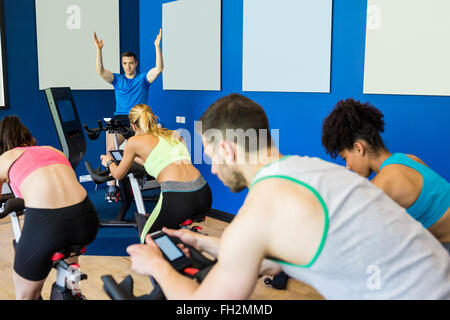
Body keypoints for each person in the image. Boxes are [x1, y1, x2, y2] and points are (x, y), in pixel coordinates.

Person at [126, 94, 450, 300]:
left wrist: (157, 266)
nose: (210, 166)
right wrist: (207, 244)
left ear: (226, 148)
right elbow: (281, 253)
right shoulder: (311, 170)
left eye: (210, 154)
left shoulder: (259, 211)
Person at [321, 98, 450, 252]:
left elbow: (349, 228)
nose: (347, 166)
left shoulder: (385, 182)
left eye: (345, 158)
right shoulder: (408, 159)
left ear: (359, 148)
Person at [0, 116, 99, 300]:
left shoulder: (5, 158)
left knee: (25, 296)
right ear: (27, 136)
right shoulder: (52, 150)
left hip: (48, 225)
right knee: (69, 267)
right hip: (87, 218)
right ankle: (70, 290)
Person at [100, 104, 212, 244]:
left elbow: (118, 175)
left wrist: (109, 161)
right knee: (170, 231)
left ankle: (172, 260)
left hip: (179, 197)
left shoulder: (134, 141)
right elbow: (164, 161)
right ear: (154, 119)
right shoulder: (173, 134)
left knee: (147, 239)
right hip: (203, 192)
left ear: (133, 126)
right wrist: (136, 158)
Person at [94, 29, 164, 201]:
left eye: (131, 63)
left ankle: (157, 180)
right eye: (125, 63)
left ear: (136, 63)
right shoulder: (118, 79)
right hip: (120, 119)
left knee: (148, 149)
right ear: (122, 64)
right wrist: (99, 50)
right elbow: (100, 71)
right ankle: (112, 188)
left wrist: (157, 47)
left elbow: (159, 68)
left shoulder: (143, 79)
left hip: (139, 120)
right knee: (111, 148)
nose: (128, 66)